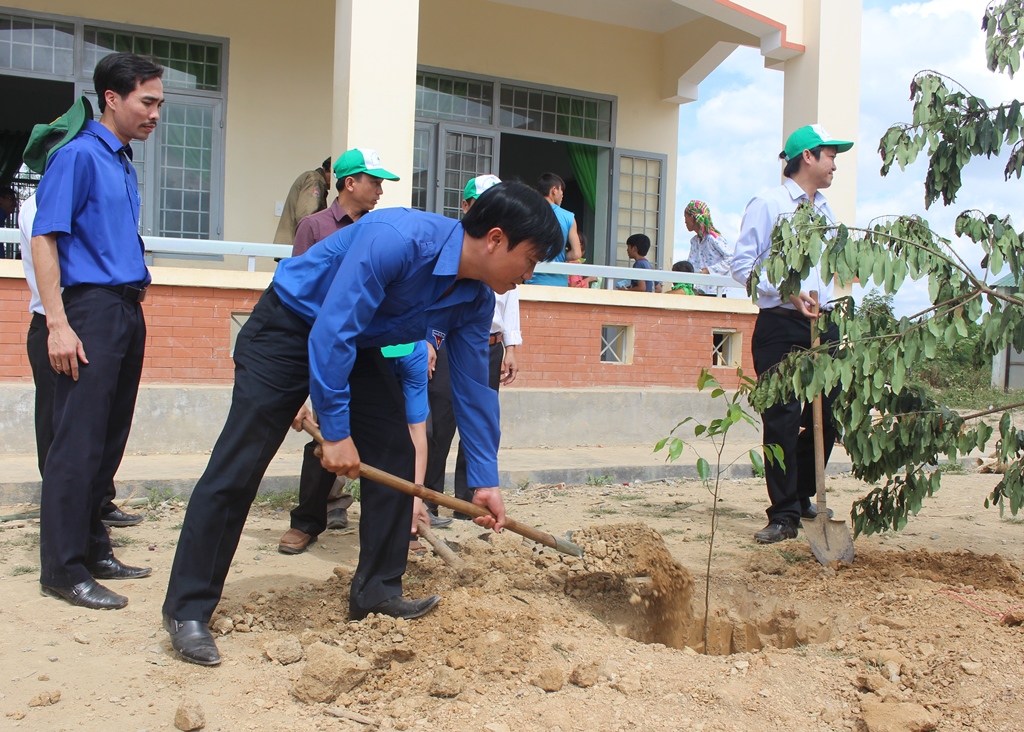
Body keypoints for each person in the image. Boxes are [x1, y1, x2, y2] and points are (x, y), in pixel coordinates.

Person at [162, 181, 563, 666]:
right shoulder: (398, 239)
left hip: (360, 342)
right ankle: (187, 610)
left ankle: (377, 591)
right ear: (496, 239)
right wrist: (334, 431)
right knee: (241, 461)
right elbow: (331, 330)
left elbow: (474, 390)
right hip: (291, 325)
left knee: (394, 447)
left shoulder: (475, 300)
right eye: (531, 259)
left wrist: (483, 477)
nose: (529, 274)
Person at [28, 53, 165, 610]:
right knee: (76, 445)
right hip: (88, 312)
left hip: (124, 311)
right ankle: (62, 569)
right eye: (147, 101)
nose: (156, 113)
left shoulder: (121, 160)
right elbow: (44, 238)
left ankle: (92, 547)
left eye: (159, 103)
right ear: (113, 97)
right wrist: (57, 323)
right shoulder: (79, 156)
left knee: (107, 441)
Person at [730, 123, 853, 544]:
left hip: (822, 323)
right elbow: (741, 266)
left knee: (829, 411)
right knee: (781, 419)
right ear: (808, 157)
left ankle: (802, 495)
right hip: (781, 322)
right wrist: (788, 291)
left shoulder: (825, 211)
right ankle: (783, 515)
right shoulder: (769, 203)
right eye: (831, 155)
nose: (835, 164)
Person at [279, 148, 401, 550]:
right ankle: (307, 521)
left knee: (385, 434)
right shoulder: (313, 227)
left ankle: (391, 530)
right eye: (375, 181)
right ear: (350, 183)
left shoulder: (380, 229)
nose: (381, 190)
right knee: (325, 435)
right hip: (324, 344)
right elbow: (297, 293)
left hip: (365, 345)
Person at [20, 190, 143, 529]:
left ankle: (97, 505)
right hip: (58, 322)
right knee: (58, 431)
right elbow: (52, 260)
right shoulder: (40, 204)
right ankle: (63, 518)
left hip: (92, 321)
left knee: (97, 425)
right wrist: (60, 325)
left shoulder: (88, 195)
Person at [424, 175, 522, 522]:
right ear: (466, 207)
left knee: (478, 418)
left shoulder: (504, 264)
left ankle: (470, 498)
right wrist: (430, 340)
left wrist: (510, 345)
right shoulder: (435, 248)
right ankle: (427, 500)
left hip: (484, 342)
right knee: (435, 426)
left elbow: (510, 300)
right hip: (441, 343)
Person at [524, 172, 581, 286]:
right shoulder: (568, 217)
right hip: (558, 282)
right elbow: (576, 253)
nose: (562, 195)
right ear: (554, 190)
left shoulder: (527, 212)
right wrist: (560, 254)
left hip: (532, 279)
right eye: (561, 191)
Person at [272, 157, 331, 245]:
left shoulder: (313, 178)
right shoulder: (315, 180)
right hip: (295, 247)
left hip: (290, 245)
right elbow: (306, 216)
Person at [683, 200, 732, 296]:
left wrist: (708, 271)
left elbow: (731, 258)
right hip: (699, 292)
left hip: (716, 292)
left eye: (686, 217)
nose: (685, 221)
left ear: (692, 217)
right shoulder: (694, 242)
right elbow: (691, 265)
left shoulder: (713, 238)